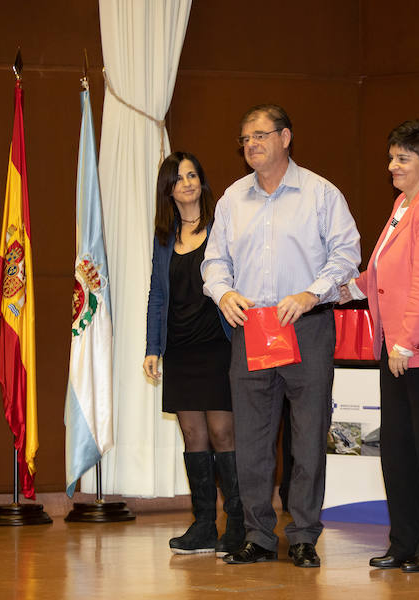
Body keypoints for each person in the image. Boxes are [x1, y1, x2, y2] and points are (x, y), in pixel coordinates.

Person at [202, 104, 360, 569]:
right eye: (244, 139)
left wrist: (312, 294)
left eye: (260, 136)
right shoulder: (232, 199)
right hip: (251, 328)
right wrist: (223, 292)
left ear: (286, 137)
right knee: (251, 438)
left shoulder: (320, 193)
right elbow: (213, 261)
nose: (251, 145)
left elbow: (347, 254)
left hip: (305, 327)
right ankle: (258, 535)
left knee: (308, 436)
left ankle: (305, 535)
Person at [339, 120, 419, 572]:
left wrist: (406, 344)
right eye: (391, 157)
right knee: (399, 450)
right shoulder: (402, 204)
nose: (392, 166)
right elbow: (380, 274)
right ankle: (403, 542)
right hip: (393, 348)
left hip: (418, 351)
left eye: (403, 158)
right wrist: (342, 289)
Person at [143, 151, 244, 556]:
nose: (186, 183)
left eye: (192, 175)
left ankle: (236, 524)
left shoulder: (223, 228)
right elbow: (156, 294)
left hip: (218, 346)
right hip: (181, 349)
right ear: (167, 189)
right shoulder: (164, 238)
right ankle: (203, 524)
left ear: (202, 182)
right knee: (192, 434)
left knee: (222, 433)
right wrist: (153, 347)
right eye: (178, 177)